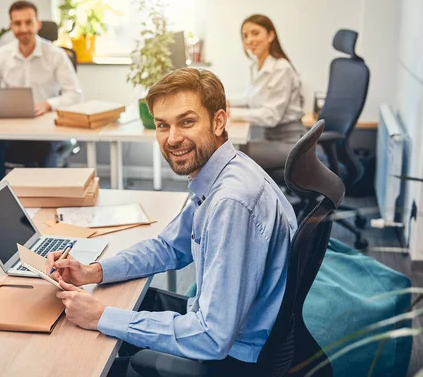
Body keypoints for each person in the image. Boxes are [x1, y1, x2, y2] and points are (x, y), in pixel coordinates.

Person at [45, 68, 297, 375]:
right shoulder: (223, 172)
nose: (173, 138)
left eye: (187, 122)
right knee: (128, 308)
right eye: (162, 125)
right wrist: (93, 272)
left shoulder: (231, 201)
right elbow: (169, 248)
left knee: (91, 359)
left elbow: (211, 337)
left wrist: (102, 317)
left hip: (233, 357)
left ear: (218, 121)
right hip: (228, 325)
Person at [0, 0, 82, 187]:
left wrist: (48, 104)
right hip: (13, 126)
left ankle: (43, 204)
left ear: (38, 24)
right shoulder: (2, 55)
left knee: (42, 150)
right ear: (11, 26)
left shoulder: (55, 55)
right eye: (18, 23)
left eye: (28, 22)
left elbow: (75, 94)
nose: (23, 28)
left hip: (45, 128)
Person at [228, 14, 305, 171]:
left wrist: (231, 113)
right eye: (245, 36)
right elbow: (251, 97)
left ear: (270, 35)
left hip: (290, 143)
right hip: (270, 138)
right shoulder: (257, 66)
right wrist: (225, 102)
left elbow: (271, 116)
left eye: (255, 33)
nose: (249, 40)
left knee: (231, 156)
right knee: (230, 151)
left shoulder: (281, 68)